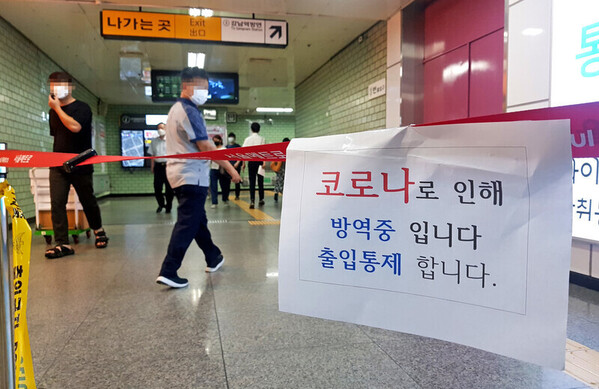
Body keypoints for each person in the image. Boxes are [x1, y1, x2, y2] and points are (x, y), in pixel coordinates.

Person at [156, 67, 241, 288]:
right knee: (188, 222)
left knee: (197, 220)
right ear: (186, 86)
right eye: (201, 87)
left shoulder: (175, 109)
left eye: (206, 88)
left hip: (180, 173)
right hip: (191, 175)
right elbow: (205, 145)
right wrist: (231, 169)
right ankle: (169, 269)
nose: (205, 92)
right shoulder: (188, 110)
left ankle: (213, 257)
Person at [45, 71, 108, 259]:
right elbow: (57, 136)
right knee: (57, 202)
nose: (57, 88)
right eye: (53, 85)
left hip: (81, 162)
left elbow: (75, 127)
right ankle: (62, 243)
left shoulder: (82, 108)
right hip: (58, 164)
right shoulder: (51, 112)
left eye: (61, 84)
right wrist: (55, 109)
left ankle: (99, 230)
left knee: (87, 199)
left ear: (71, 87)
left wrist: (57, 108)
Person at [148, 122, 173, 213]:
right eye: (158, 128)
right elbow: (152, 155)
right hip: (158, 167)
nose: (160, 130)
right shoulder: (154, 141)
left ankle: (169, 206)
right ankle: (161, 204)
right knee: (157, 187)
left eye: (162, 128)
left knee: (169, 189)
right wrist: (152, 166)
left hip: (168, 166)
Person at [243, 122, 266, 209]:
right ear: (259, 129)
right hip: (259, 161)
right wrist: (264, 162)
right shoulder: (262, 139)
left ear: (251, 129)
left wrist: (243, 163)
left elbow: (243, 152)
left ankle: (252, 200)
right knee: (260, 181)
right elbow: (264, 151)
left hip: (251, 161)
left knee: (252, 181)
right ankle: (261, 199)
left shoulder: (247, 139)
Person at [209, 134, 226, 209]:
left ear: (220, 140)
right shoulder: (212, 149)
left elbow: (225, 160)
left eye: (216, 140)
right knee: (213, 186)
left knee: (224, 186)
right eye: (214, 140)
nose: (215, 141)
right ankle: (214, 202)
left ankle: (225, 199)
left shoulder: (224, 149)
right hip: (213, 169)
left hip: (222, 169)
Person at [226, 132, 243, 200]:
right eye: (230, 137)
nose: (230, 139)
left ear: (234, 138)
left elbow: (241, 156)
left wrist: (237, 163)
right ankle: (226, 196)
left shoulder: (238, 146)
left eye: (232, 137)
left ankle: (237, 195)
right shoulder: (226, 147)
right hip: (228, 167)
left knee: (237, 181)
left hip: (236, 166)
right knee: (227, 182)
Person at [272, 137, 290, 202]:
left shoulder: (280, 149)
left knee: (278, 181)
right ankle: (283, 194)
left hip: (279, 168)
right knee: (284, 181)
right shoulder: (289, 150)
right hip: (285, 169)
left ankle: (276, 193)